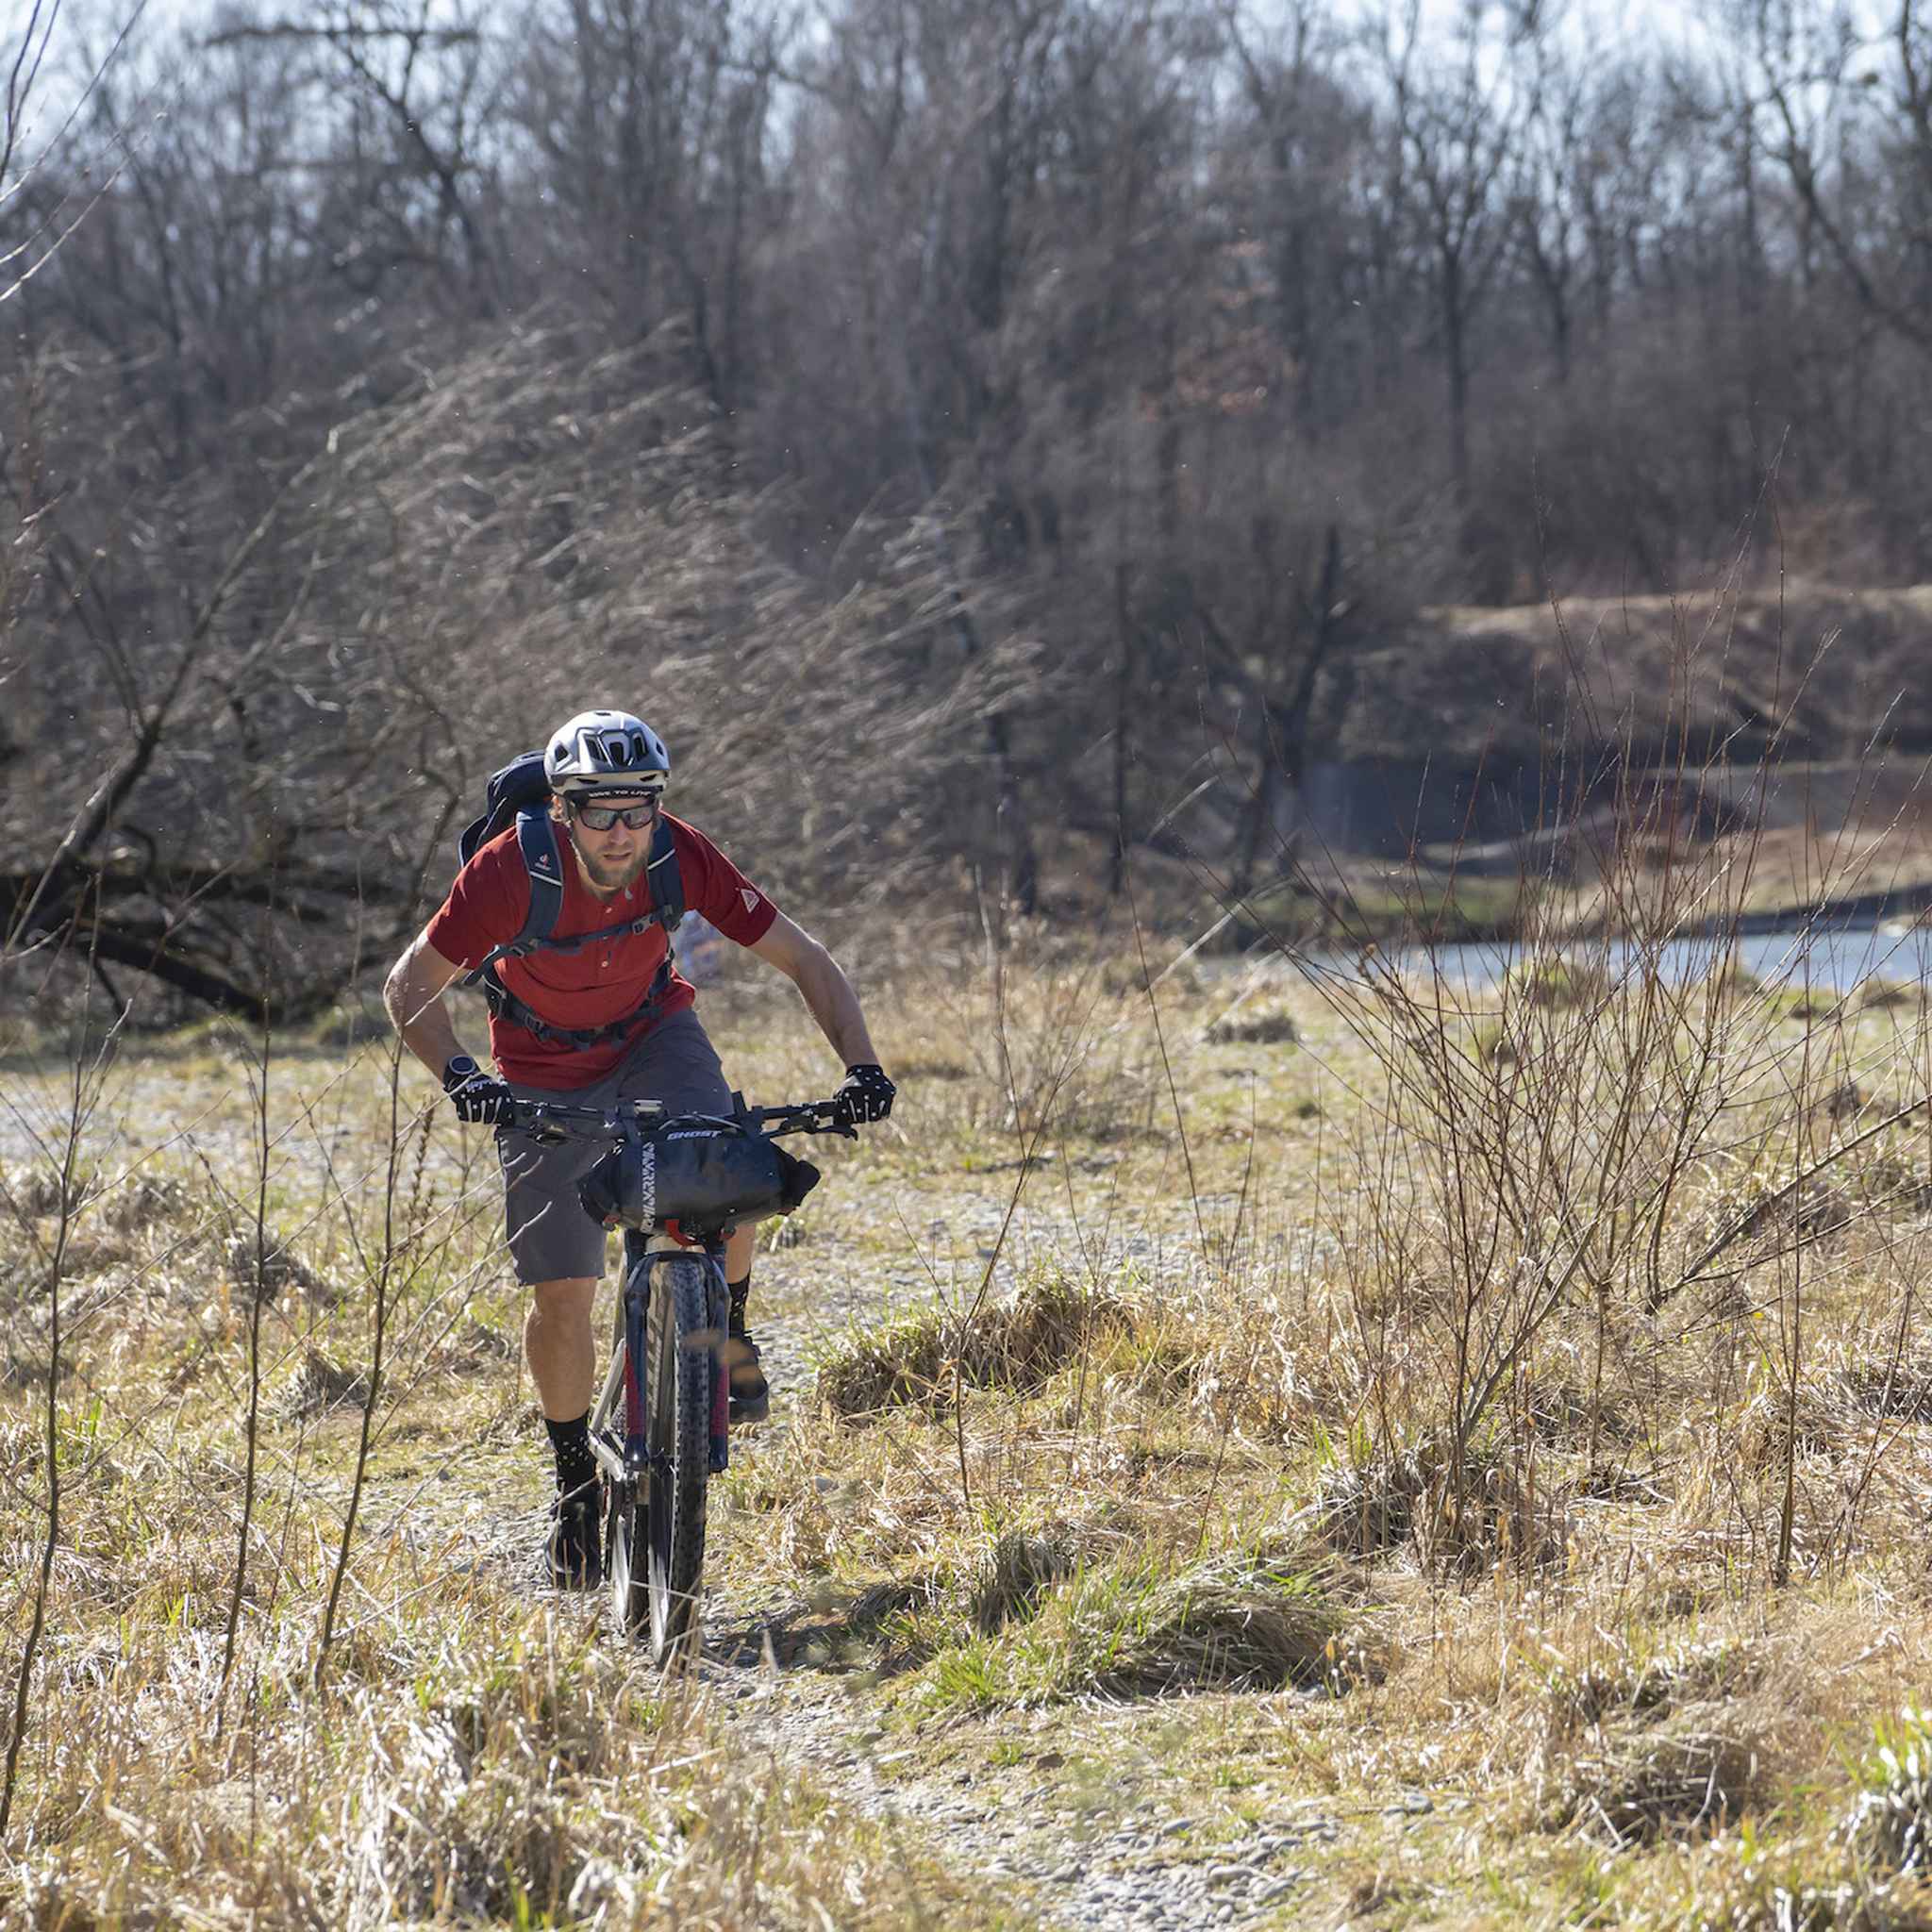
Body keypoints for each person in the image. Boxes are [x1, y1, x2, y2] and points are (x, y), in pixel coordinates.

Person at [383, 708, 895, 1587]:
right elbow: (409, 987)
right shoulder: (508, 872)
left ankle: (724, 1344)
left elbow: (804, 958)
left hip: (653, 1035)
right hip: (538, 1068)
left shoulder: (677, 854)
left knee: (728, 1163)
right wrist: (463, 1076)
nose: (622, 833)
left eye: (638, 810)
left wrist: (863, 1066)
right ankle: (575, 1478)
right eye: (600, 812)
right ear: (564, 807)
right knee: (563, 1291)